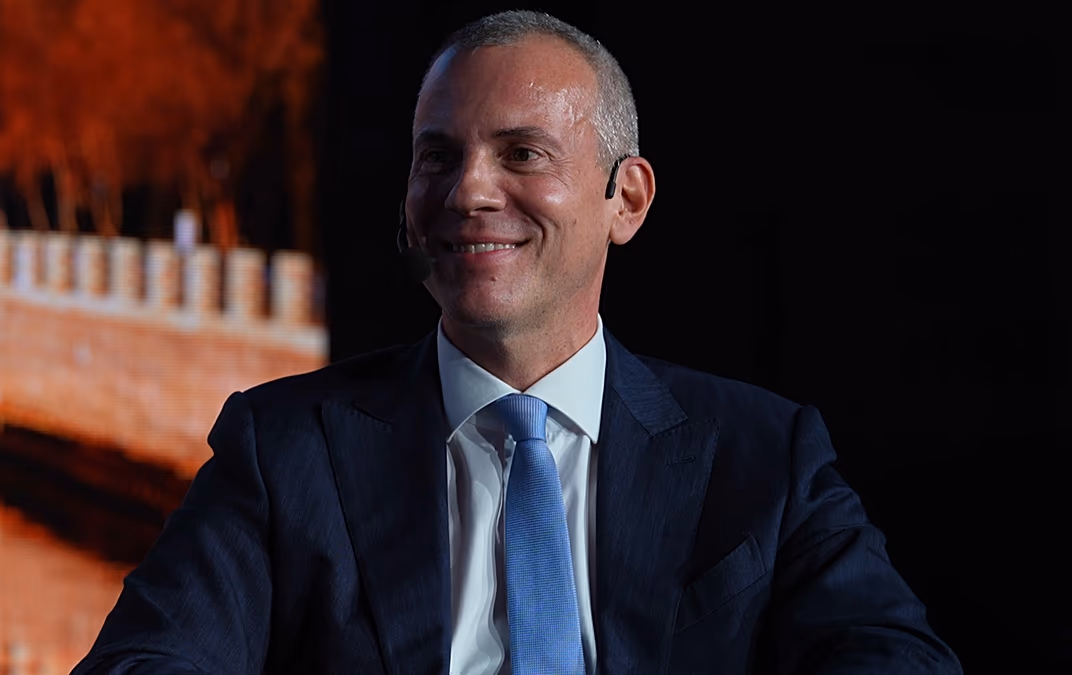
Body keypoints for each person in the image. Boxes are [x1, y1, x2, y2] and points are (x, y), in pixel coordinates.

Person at [73, 11, 962, 674]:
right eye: (437, 156)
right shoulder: (283, 451)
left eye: (523, 153)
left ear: (627, 200)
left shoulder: (766, 456)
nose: (468, 191)